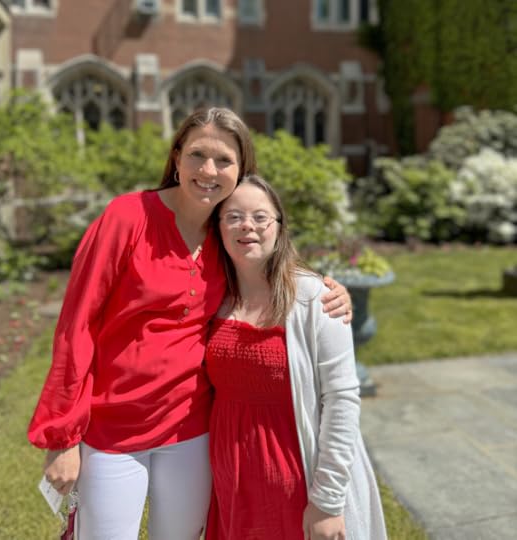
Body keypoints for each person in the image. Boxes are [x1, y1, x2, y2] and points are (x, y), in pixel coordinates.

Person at [27, 107, 353, 540]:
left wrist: (329, 291)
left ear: (240, 172)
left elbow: (271, 269)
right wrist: (63, 437)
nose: (208, 170)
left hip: (192, 429)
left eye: (224, 161)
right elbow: (76, 326)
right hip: (113, 427)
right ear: (177, 156)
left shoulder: (225, 232)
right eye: (198, 154)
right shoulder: (127, 218)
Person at [205, 174, 387, 540]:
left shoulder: (314, 298)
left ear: (279, 226)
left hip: (298, 478)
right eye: (234, 216)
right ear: (218, 228)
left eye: (260, 217)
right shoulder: (210, 297)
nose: (248, 226)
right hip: (230, 477)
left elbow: (342, 401)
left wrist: (327, 501)